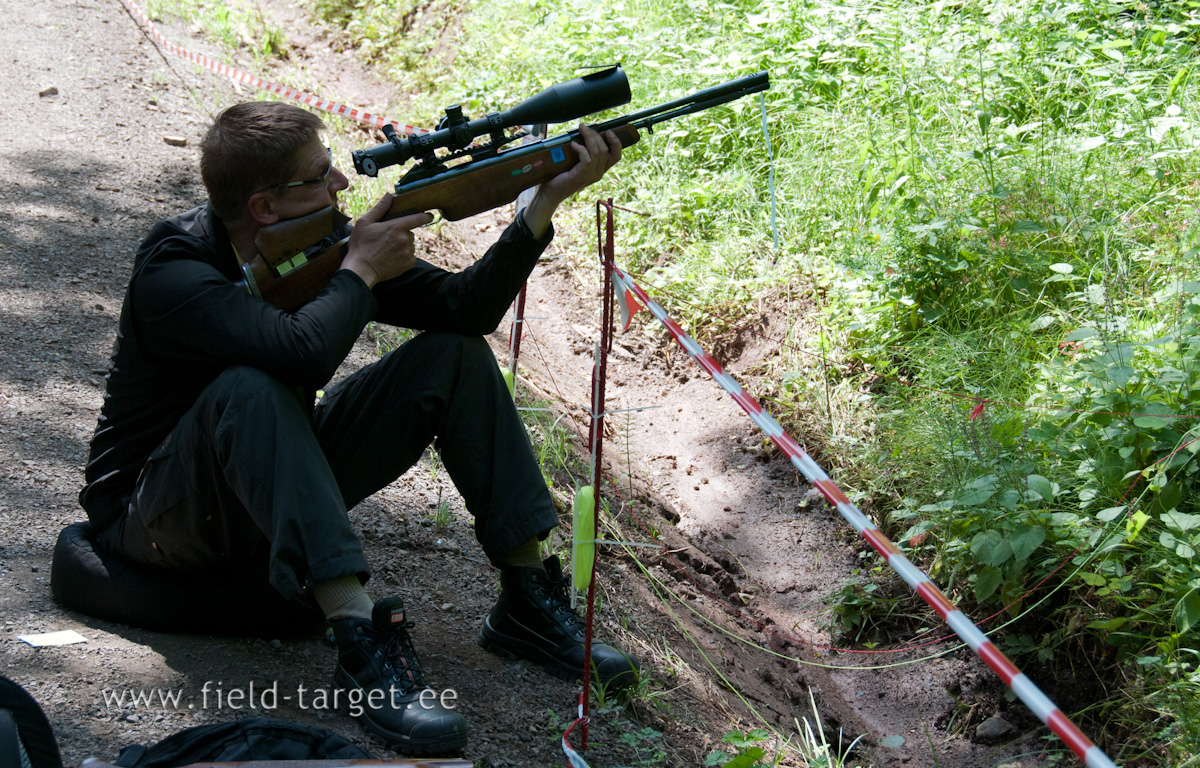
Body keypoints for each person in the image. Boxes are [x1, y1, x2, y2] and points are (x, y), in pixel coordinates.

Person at [77, 101, 640, 756]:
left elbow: (466, 309)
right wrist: (363, 270)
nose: (342, 185)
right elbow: (301, 352)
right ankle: (358, 640)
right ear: (264, 207)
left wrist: (538, 206)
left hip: (260, 492)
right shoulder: (175, 269)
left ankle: (524, 598)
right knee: (248, 388)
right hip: (157, 519)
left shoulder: (319, 249)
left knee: (451, 357)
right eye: (320, 176)